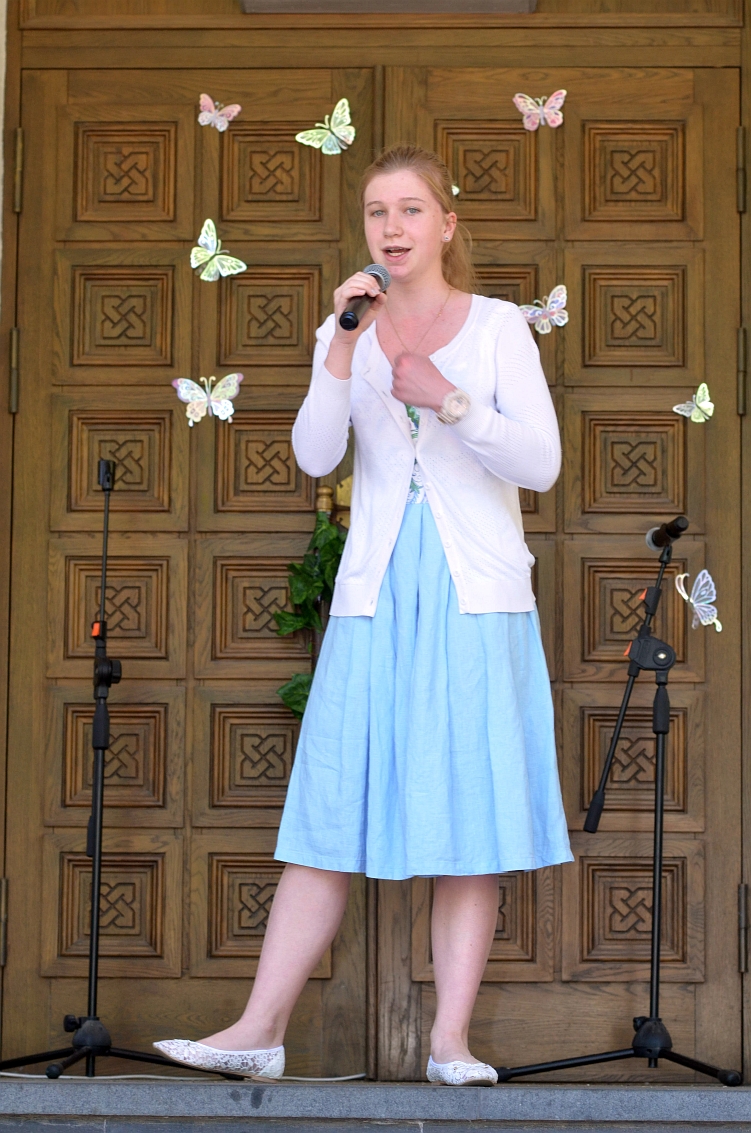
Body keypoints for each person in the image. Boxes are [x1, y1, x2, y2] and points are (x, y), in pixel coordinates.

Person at [155, 144, 573, 1087]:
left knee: (470, 816)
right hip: (375, 593)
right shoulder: (343, 327)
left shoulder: (498, 327)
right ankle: (259, 1028)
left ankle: (449, 1042)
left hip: (476, 596)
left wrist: (449, 400)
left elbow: (540, 465)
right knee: (330, 805)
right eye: (378, 212)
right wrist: (343, 351)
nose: (392, 227)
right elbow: (314, 455)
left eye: (411, 209)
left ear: (446, 225)